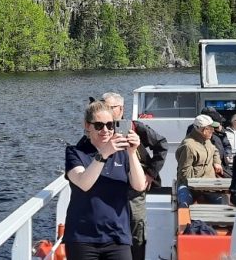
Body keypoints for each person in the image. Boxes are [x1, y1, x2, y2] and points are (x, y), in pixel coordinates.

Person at [64, 101, 146, 259]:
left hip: (118, 236)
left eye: (110, 125)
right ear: (87, 126)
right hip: (82, 238)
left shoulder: (123, 153)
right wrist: (103, 154)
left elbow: (139, 185)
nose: (105, 130)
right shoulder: (75, 153)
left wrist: (132, 152)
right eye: (99, 126)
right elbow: (84, 183)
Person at [99, 92, 168, 260]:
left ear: (121, 109)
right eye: (102, 106)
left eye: (109, 107)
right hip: (109, 189)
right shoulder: (99, 130)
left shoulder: (136, 128)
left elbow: (162, 145)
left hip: (134, 190)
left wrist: (150, 174)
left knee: (136, 227)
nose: (104, 110)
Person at [176, 114, 224, 207]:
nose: (213, 131)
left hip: (209, 184)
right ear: (203, 129)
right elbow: (185, 173)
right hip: (192, 186)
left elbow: (215, 151)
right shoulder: (189, 146)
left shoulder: (206, 140)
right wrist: (199, 189)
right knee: (184, 206)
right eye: (210, 128)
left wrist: (217, 163)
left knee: (223, 204)